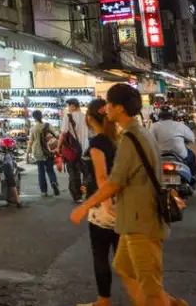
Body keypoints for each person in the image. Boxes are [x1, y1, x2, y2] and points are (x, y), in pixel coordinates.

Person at [70, 84, 186, 306]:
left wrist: (84, 207)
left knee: (151, 289)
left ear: (119, 108)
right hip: (134, 219)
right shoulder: (140, 132)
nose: (106, 109)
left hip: (140, 221)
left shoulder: (130, 138)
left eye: (109, 104)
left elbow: (113, 182)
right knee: (124, 266)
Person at [78, 99, 120, 306]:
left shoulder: (97, 143)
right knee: (125, 259)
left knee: (101, 255)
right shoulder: (118, 139)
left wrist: (106, 206)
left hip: (104, 206)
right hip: (123, 202)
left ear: (89, 118)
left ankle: (104, 300)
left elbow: (102, 177)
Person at [150, 107, 196, 179]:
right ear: (172, 116)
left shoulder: (154, 126)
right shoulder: (179, 125)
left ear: (159, 117)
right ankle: (193, 176)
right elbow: (192, 138)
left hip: (160, 155)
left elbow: (150, 140)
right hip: (179, 154)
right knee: (191, 155)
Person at [58, 97, 89, 203]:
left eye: (69, 106)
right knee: (86, 172)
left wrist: (58, 147)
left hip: (73, 151)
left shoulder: (68, 117)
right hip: (85, 148)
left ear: (73, 106)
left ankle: (77, 196)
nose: (68, 108)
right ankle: (87, 193)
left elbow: (63, 133)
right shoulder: (86, 117)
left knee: (74, 173)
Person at [26, 109, 59, 197]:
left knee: (41, 172)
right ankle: (53, 182)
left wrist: (27, 155)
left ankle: (44, 191)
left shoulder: (33, 128)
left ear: (34, 118)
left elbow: (30, 142)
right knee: (50, 170)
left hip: (38, 152)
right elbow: (56, 135)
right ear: (41, 116)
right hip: (48, 151)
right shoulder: (48, 125)